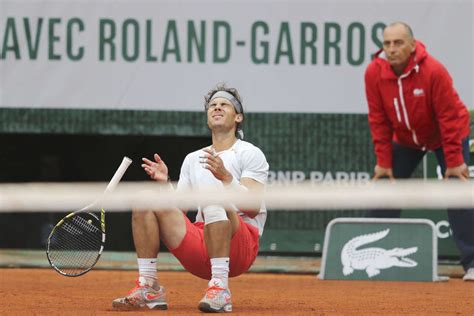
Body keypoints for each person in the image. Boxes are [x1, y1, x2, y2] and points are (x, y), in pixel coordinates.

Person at [112, 84, 269, 312]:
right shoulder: (193, 159)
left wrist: (226, 178)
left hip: (240, 245)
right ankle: (149, 287)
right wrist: (165, 185)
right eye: (212, 105)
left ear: (238, 117)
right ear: (207, 118)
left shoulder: (250, 153)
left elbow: (253, 207)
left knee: (213, 196)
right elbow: (179, 210)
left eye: (224, 104)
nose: (217, 108)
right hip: (202, 242)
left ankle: (220, 289)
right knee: (146, 198)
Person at [364, 21, 474, 281]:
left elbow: (448, 118)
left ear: (412, 45)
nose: (392, 49)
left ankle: (472, 263)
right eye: (387, 43)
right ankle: (369, 255)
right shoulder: (373, 73)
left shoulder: (434, 71)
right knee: (384, 189)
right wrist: (384, 162)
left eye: (398, 43)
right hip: (405, 138)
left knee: (457, 191)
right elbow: (377, 118)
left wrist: (455, 162)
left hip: (446, 135)